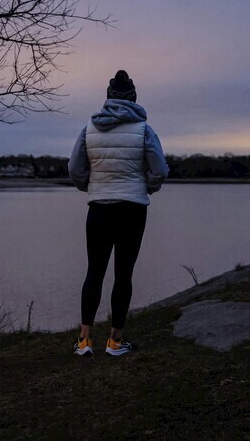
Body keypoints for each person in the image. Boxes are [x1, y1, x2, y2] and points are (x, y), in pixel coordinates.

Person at [68, 70, 169, 356]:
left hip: (99, 209)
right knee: (124, 273)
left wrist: (92, 186)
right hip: (133, 210)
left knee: (94, 272)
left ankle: (84, 341)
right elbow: (159, 170)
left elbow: (74, 169)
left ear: (109, 98)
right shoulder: (144, 130)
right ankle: (115, 341)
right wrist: (145, 187)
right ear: (134, 98)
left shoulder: (89, 128)